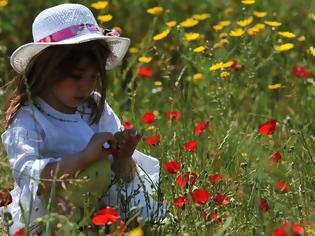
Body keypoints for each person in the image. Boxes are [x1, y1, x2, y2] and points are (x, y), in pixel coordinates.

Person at [1, 3, 163, 235]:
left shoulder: (93, 106)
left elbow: (119, 172)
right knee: (62, 209)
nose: (86, 86)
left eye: (93, 77)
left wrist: (123, 156)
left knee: (128, 210)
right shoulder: (29, 117)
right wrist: (85, 157)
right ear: (46, 69)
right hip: (51, 211)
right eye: (76, 76)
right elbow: (31, 177)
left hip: (100, 203)